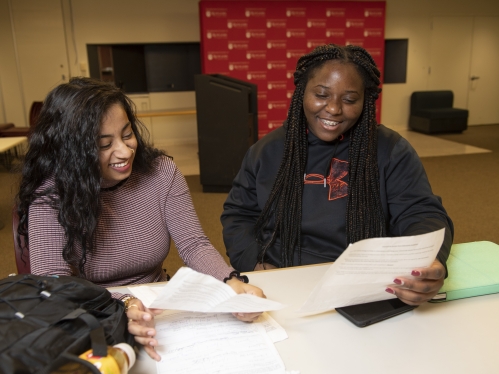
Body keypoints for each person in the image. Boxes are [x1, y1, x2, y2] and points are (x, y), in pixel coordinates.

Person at [16, 77, 264, 361]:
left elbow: (194, 244)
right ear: (71, 152)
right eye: (104, 144)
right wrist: (124, 304)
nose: (124, 151)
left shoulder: (161, 173)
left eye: (127, 133)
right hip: (91, 315)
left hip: (159, 308)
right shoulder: (50, 196)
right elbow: (56, 285)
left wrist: (229, 281)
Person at [221, 44, 454, 306]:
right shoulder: (267, 151)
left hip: (364, 287)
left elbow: (421, 213)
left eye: (350, 99)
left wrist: (427, 261)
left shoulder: (391, 150)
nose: (333, 109)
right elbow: (239, 215)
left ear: (365, 100)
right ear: (302, 92)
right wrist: (255, 263)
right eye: (321, 94)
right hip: (283, 281)